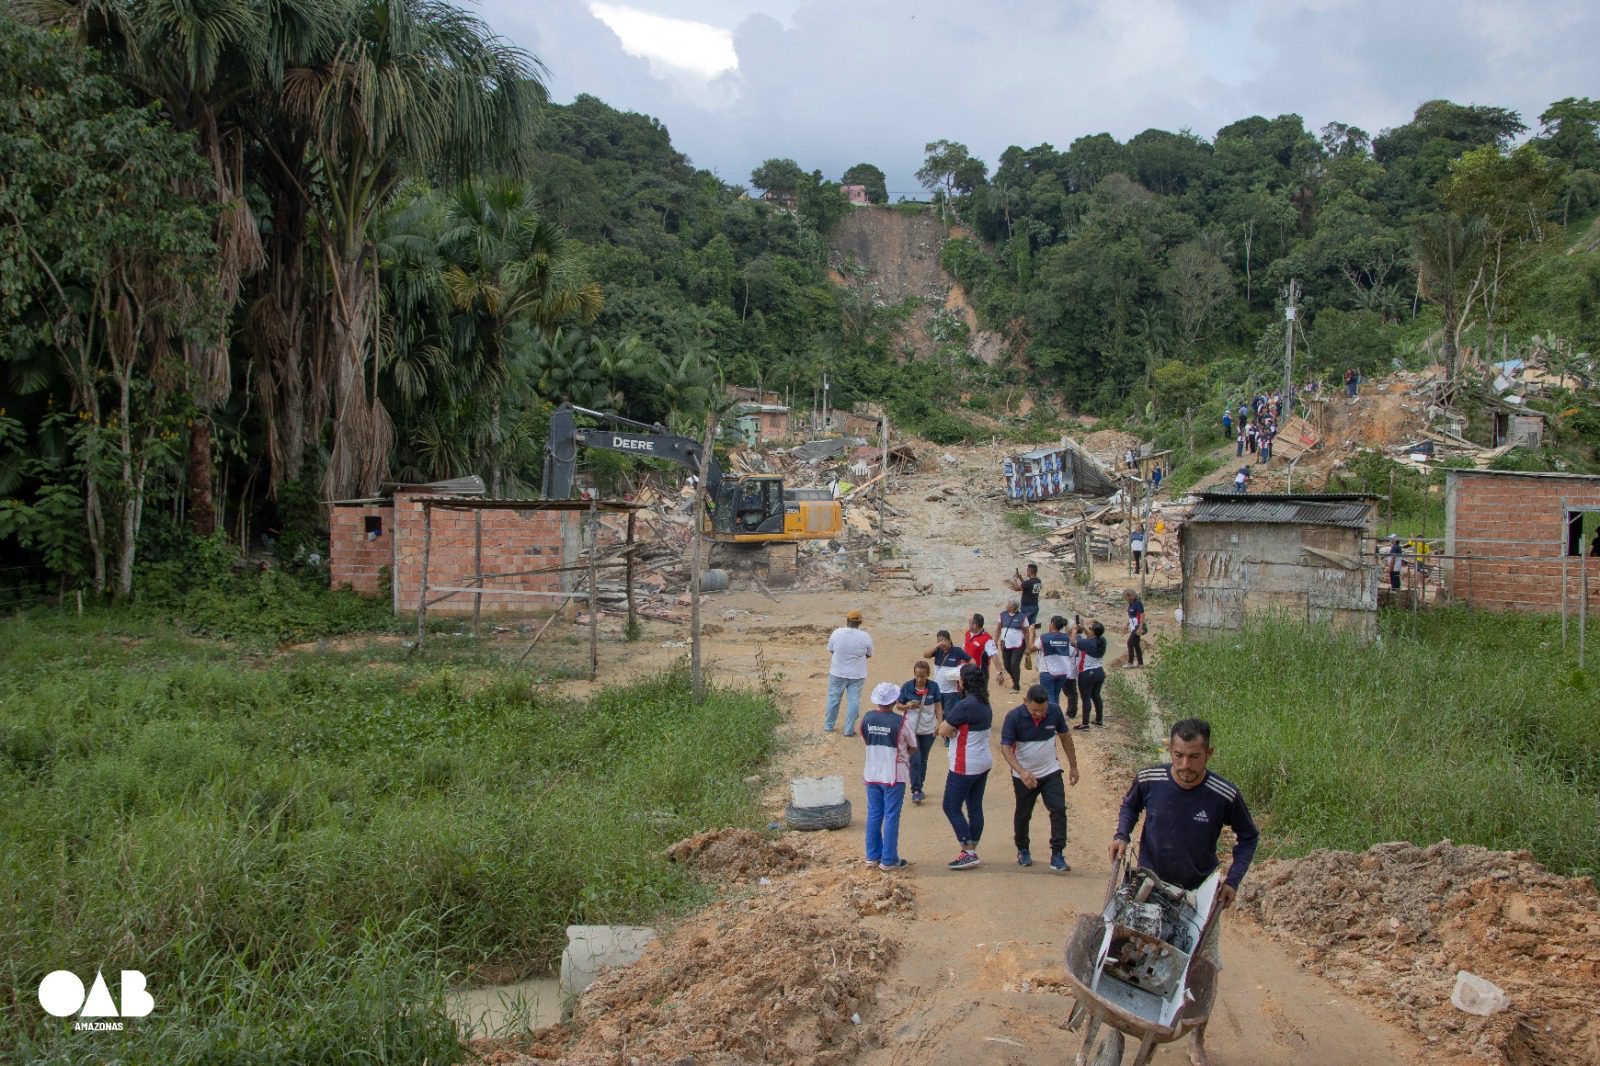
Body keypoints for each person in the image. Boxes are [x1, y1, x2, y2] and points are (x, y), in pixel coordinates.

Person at [1109, 718, 1260, 1066]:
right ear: (1170, 750)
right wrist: (1121, 834)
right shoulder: (1150, 780)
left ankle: (1196, 1039)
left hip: (1197, 893)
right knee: (1127, 954)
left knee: (1201, 968)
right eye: (1178, 755)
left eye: (1194, 757)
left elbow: (1249, 837)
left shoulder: (1224, 795)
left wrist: (1233, 880)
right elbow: (1130, 806)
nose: (1185, 766)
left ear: (1209, 753)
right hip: (1148, 885)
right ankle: (1117, 1027)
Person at [1001, 684, 1080, 872]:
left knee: (1058, 809)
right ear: (1025, 702)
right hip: (1024, 776)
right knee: (1023, 813)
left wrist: (1073, 766)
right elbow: (1005, 748)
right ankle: (1023, 849)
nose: (1039, 714)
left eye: (1043, 710)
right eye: (1035, 710)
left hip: (1050, 771)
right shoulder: (1013, 717)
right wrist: (1021, 771)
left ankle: (1057, 853)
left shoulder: (1054, 712)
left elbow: (1065, 737)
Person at [937, 663, 993, 870]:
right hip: (982, 761)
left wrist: (949, 730)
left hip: (965, 763)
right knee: (974, 806)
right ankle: (971, 847)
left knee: (950, 805)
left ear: (962, 682)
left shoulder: (966, 705)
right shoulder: (983, 703)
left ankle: (968, 851)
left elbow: (943, 729)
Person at [861, 681, 916, 871]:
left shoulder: (867, 718)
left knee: (874, 813)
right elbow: (913, 746)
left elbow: (865, 739)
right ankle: (889, 859)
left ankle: (872, 856)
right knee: (891, 815)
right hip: (894, 774)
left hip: (872, 771)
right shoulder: (901, 722)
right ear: (894, 701)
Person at [824, 609, 873, 736]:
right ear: (860, 622)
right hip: (857, 675)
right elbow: (869, 654)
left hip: (837, 672)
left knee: (833, 700)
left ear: (847, 620)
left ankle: (829, 726)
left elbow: (831, 650)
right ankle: (849, 730)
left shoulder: (836, 633)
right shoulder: (866, 636)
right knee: (854, 701)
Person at [898, 662, 941, 805]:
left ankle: (919, 785)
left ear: (927, 675)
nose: (919, 679)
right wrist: (907, 706)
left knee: (923, 760)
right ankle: (916, 790)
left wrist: (939, 723)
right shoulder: (907, 687)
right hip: (911, 730)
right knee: (915, 759)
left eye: (922, 676)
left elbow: (938, 706)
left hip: (928, 730)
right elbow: (898, 705)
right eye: (917, 676)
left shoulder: (934, 687)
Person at [1036, 615, 1079, 721]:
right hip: (1062, 673)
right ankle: (1056, 719)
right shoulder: (1066, 639)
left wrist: (1031, 633)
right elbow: (1074, 652)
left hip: (1048, 672)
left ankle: (1052, 721)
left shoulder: (1044, 637)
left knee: (1050, 696)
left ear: (1051, 625)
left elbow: (1030, 649)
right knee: (1055, 696)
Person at [925, 630, 972, 718]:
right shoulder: (937, 650)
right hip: (937, 690)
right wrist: (936, 646)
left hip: (951, 691)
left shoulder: (957, 651)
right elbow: (925, 655)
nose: (941, 644)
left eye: (943, 641)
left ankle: (948, 730)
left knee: (948, 715)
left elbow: (970, 660)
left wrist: (966, 671)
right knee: (937, 714)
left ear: (949, 640)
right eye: (939, 641)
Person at [1073, 620, 1107, 730]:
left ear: (1093, 632)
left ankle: (1085, 723)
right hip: (1099, 671)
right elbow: (1091, 638)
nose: (1088, 630)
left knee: (1086, 698)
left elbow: (1073, 642)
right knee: (1096, 695)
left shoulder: (1087, 643)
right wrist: (1084, 629)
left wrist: (1074, 631)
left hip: (1087, 673)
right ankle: (1099, 719)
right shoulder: (1102, 640)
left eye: (1090, 628)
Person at [996, 599, 1028, 693]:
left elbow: (1026, 632)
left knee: (1014, 664)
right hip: (1005, 644)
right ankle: (1015, 679)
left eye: (1009, 604)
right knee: (1006, 665)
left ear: (1014, 607)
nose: (1007, 606)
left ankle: (1016, 686)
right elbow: (998, 629)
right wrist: (995, 641)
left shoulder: (1022, 617)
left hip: (1019, 645)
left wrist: (1028, 647)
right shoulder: (1002, 615)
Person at [964, 613, 1000, 682]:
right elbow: (965, 649)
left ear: (974, 625)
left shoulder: (987, 639)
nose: (968, 625)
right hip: (966, 671)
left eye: (969, 623)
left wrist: (999, 672)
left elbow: (994, 655)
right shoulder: (968, 633)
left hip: (979, 675)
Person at [1009, 562, 1043, 632]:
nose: (1026, 572)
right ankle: (1031, 641)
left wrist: (1015, 579)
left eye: (1027, 570)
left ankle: (1023, 641)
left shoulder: (1028, 582)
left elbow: (1016, 588)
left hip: (1027, 608)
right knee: (1031, 627)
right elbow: (1026, 586)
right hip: (1035, 606)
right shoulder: (1038, 581)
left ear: (1030, 571)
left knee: (1022, 626)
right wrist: (1021, 578)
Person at [1123, 589, 1145, 669]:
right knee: (1136, 645)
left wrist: (1140, 627)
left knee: (1129, 643)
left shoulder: (1137, 603)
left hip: (1137, 626)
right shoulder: (1130, 604)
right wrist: (1127, 624)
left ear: (1130, 596)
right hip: (1133, 626)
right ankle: (1140, 663)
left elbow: (1142, 615)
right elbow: (1131, 616)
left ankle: (1130, 662)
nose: (1125, 599)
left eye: (1126, 597)